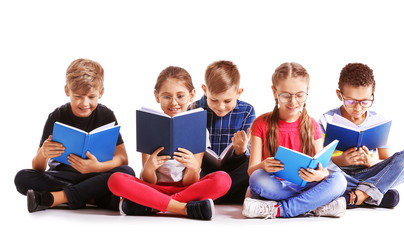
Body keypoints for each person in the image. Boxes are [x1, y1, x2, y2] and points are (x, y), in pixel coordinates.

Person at [108, 66, 231, 220]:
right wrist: (150, 167)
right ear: (157, 96)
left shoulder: (198, 128)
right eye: (167, 96)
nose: (174, 103)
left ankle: (150, 205)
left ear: (192, 95)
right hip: (154, 188)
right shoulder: (149, 125)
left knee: (223, 179)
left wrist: (193, 168)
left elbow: (191, 181)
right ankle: (183, 209)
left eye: (180, 96)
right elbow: (148, 179)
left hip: (186, 188)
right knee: (116, 180)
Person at [14, 58, 135, 213]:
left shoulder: (106, 115)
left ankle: (56, 198)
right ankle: (93, 196)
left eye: (91, 97)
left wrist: (97, 167)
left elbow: (123, 158)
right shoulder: (57, 116)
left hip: (95, 175)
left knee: (127, 172)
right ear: (67, 91)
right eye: (77, 96)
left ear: (101, 92)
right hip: (62, 176)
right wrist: (44, 154)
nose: (84, 103)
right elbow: (37, 167)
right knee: (22, 178)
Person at [242, 62, 347, 219]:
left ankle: (278, 209)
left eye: (299, 95)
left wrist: (318, 176)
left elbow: (322, 170)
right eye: (285, 95)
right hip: (276, 186)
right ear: (274, 92)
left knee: (339, 180)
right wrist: (263, 165)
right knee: (257, 179)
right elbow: (251, 171)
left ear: (307, 92)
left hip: (305, 184)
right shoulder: (260, 123)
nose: (293, 102)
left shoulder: (312, 125)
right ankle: (315, 206)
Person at [319, 63, 404, 209]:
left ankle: (356, 196)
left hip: (369, 172)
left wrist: (371, 161)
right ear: (339, 94)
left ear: (372, 94)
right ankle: (373, 193)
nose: (358, 108)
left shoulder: (377, 121)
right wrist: (341, 160)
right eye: (351, 101)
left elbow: (387, 161)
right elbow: (320, 159)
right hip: (339, 173)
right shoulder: (326, 119)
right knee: (319, 167)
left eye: (365, 101)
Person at [189, 60, 255, 204]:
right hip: (204, 170)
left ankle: (208, 195)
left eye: (227, 101)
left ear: (239, 93)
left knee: (254, 165)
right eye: (213, 100)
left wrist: (241, 151)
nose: (220, 107)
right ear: (205, 90)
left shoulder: (247, 111)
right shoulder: (193, 109)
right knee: (189, 170)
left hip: (234, 171)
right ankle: (225, 195)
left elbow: (249, 155)